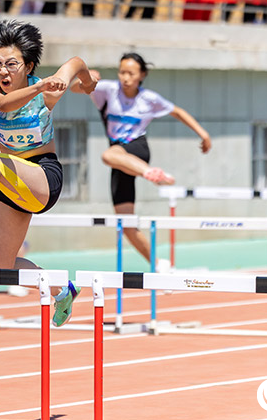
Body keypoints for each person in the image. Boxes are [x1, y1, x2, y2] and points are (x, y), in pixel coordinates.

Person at [0, 19, 98, 327]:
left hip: (43, 178)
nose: (2, 72)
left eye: (11, 64)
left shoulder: (47, 94)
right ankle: (61, 290)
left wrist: (88, 83)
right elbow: (3, 103)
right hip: (11, 183)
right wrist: (40, 85)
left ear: (29, 65)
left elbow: (76, 63)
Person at [88, 53, 211, 267]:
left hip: (137, 149)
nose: (125, 78)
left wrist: (204, 134)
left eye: (131, 73)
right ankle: (158, 263)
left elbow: (178, 112)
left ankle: (149, 172)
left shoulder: (149, 99)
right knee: (125, 224)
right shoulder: (108, 90)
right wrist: (85, 78)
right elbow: (75, 88)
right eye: (122, 72)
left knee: (107, 155)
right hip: (121, 161)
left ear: (142, 75)